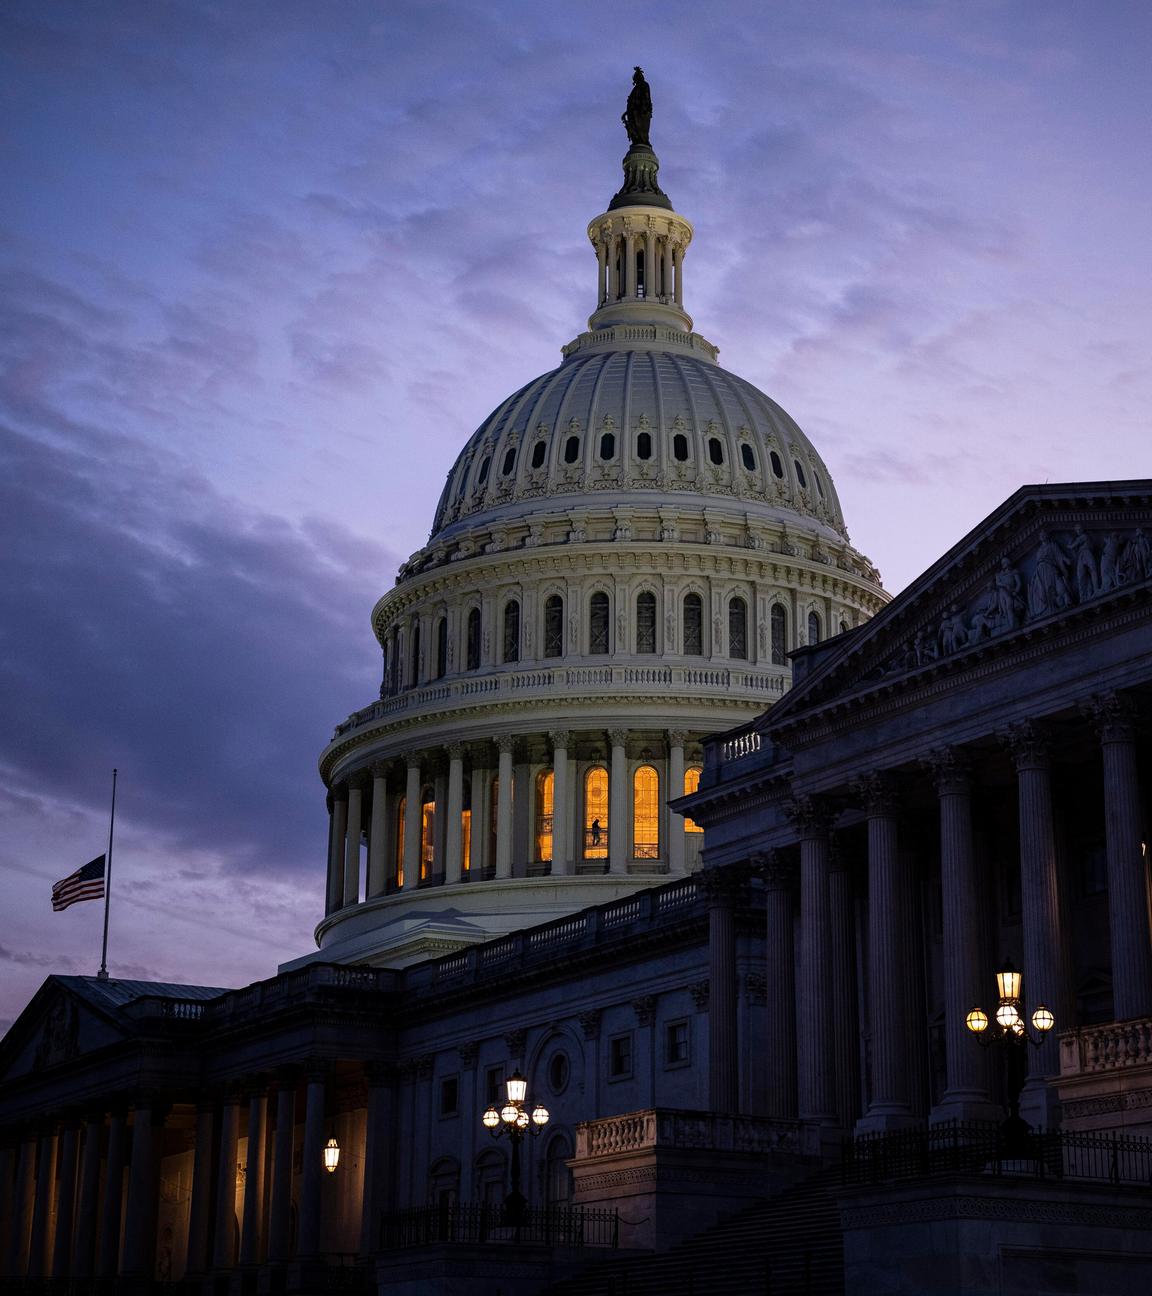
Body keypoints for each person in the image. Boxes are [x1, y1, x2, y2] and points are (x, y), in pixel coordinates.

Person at [622, 67, 652, 148]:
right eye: (635, 78)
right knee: (634, 128)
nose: (636, 79)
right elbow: (631, 102)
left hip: (642, 112)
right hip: (633, 112)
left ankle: (643, 141)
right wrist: (626, 112)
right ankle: (636, 140)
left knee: (642, 128)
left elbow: (647, 98)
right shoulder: (635, 88)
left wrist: (645, 108)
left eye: (637, 77)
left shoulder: (644, 85)